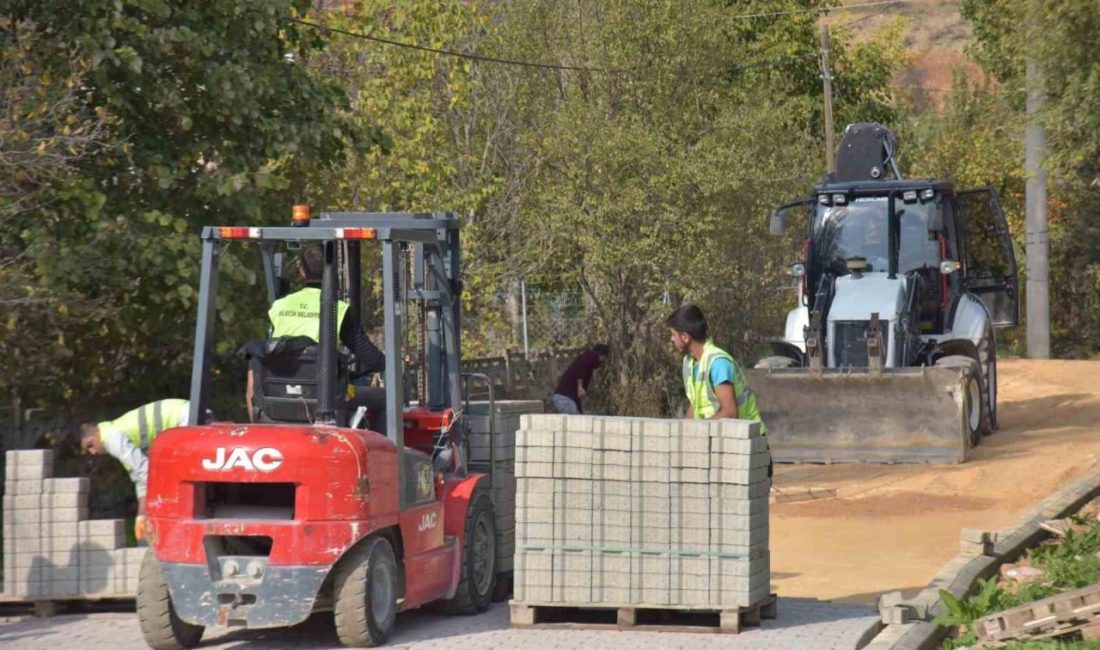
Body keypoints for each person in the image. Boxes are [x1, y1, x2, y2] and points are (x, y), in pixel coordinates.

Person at [260, 243, 388, 428]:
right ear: (333, 270)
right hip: (325, 397)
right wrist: (385, 363)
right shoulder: (338, 309)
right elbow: (372, 359)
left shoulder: (279, 306)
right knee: (383, 398)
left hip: (279, 391)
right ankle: (385, 455)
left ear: (302, 272)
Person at [79, 398, 194, 541]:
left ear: (96, 432)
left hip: (187, 418)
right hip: (188, 415)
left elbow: (146, 472)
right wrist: (141, 517)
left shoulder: (111, 438)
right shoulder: (118, 434)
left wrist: (153, 514)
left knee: (183, 482)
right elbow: (141, 479)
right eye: (88, 450)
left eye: (90, 445)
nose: (93, 452)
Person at [666, 305, 766, 432]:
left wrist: (699, 430)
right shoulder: (689, 362)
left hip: (749, 442)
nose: (672, 339)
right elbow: (695, 405)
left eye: (673, 334)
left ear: (685, 337)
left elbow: (729, 413)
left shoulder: (718, 363)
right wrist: (684, 434)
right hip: (720, 438)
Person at [551, 344, 610, 414]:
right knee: (574, 421)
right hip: (564, 399)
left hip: (565, 399)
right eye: (604, 358)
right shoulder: (591, 357)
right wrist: (580, 386)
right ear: (602, 355)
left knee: (578, 419)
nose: (603, 361)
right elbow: (580, 368)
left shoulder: (588, 362)